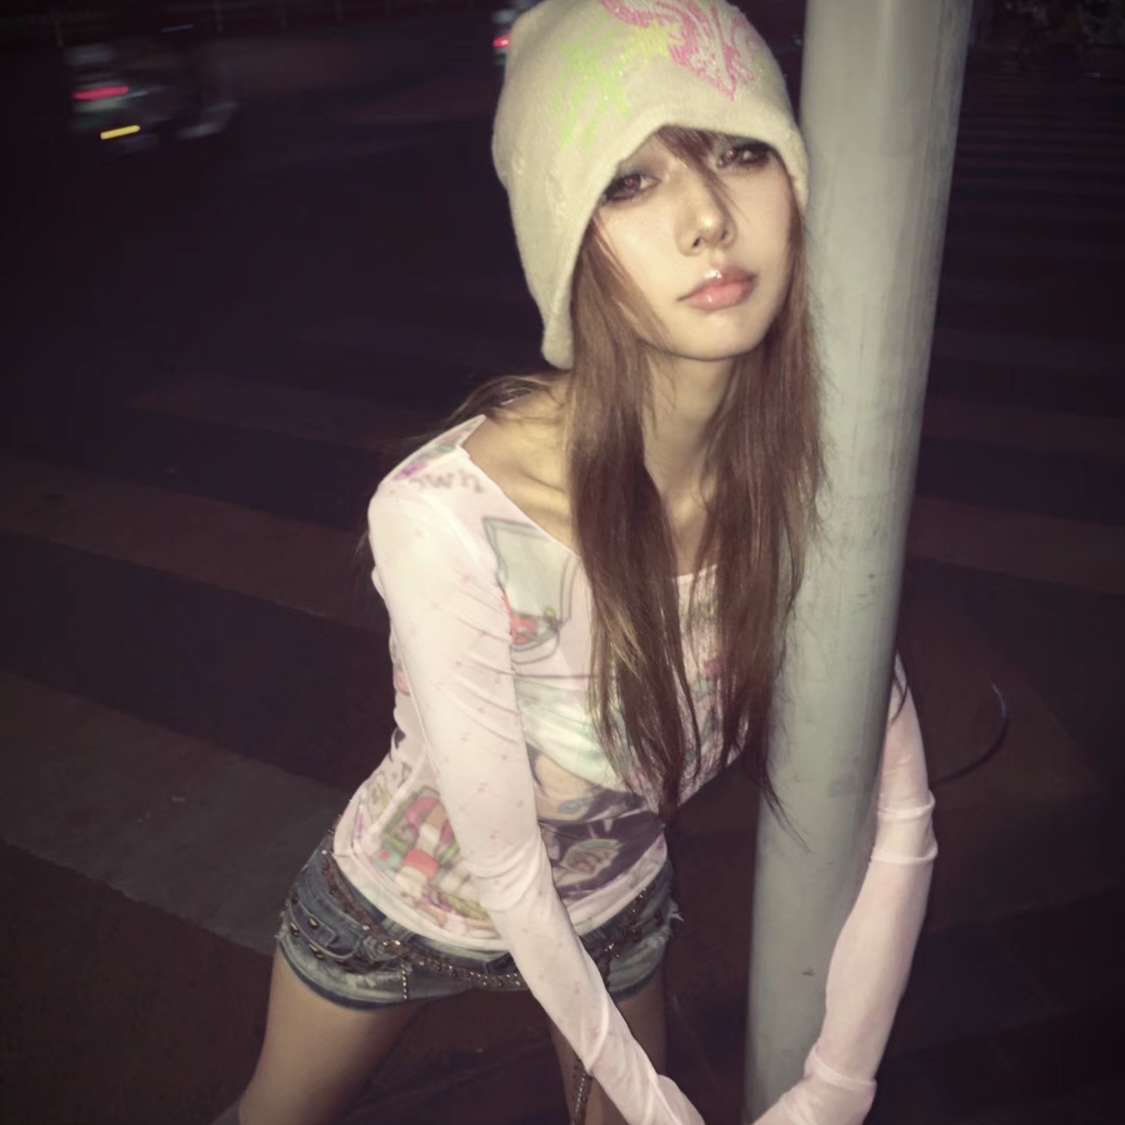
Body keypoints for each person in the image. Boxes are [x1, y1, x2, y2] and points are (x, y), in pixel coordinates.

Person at [217, 2, 936, 1123]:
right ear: (567, 233)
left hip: (613, 908)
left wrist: (835, 1090)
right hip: (408, 904)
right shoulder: (450, 514)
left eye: (740, 152)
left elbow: (904, 814)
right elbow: (506, 872)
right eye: (629, 181)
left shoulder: (795, 485)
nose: (707, 218)